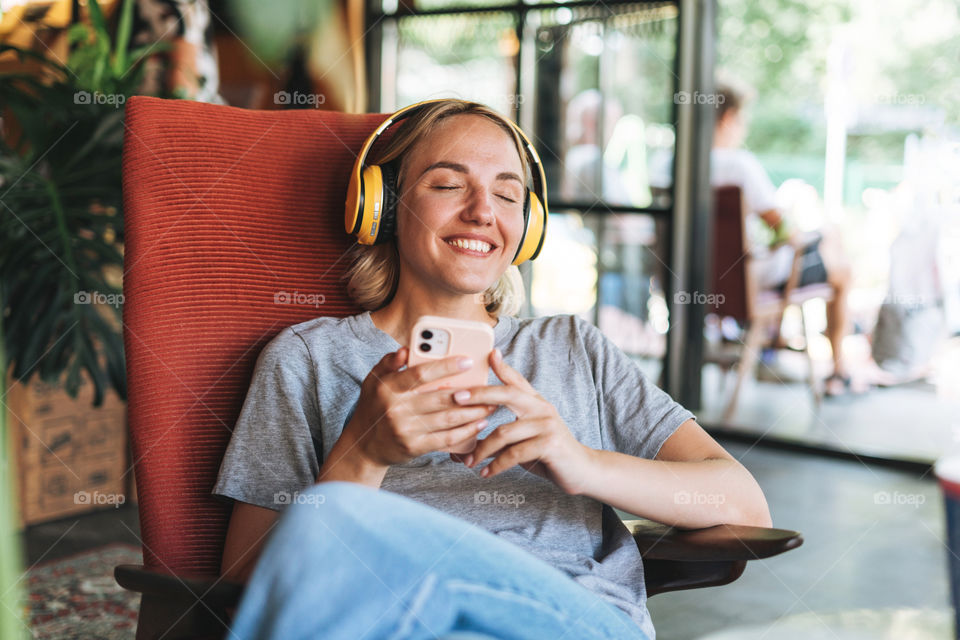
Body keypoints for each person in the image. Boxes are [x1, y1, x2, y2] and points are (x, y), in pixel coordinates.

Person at [211, 99, 773, 640]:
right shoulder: (307, 358)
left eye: (507, 194)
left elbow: (743, 503)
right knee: (331, 517)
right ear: (382, 205)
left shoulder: (571, 346)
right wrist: (362, 452)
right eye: (448, 184)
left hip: (572, 619)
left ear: (526, 226)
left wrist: (580, 462)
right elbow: (247, 580)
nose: (482, 211)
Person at [711, 83, 860, 396]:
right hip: (746, 283)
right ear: (727, 119)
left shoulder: (670, 163)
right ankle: (838, 370)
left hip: (693, 283)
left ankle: (775, 345)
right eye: (741, 121)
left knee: (822, 243)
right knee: (838, 260)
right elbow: (786, 232)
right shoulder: (737, 164)